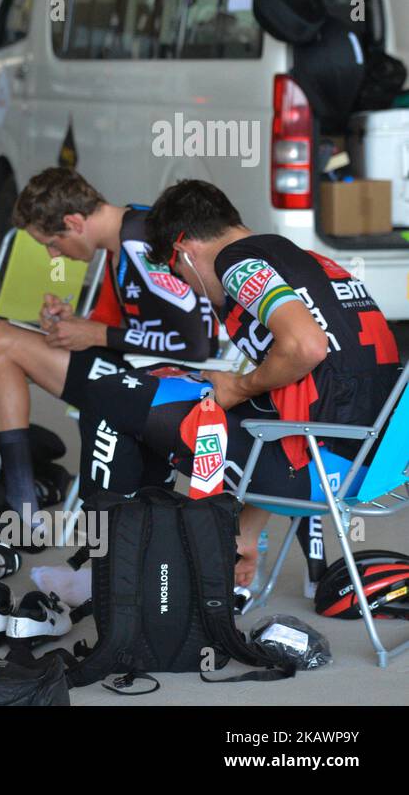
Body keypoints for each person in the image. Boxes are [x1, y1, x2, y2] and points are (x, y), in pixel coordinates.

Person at [39, 180, 400, 606]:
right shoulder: (304, 260)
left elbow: (306, 346)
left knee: (110, 395)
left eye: (177, 274)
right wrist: (246, 529)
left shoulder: (236, 262)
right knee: (157, 401)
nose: (191, 290)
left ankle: (104, 571)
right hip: (375, 466)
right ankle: (169, 554)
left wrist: (241, 385)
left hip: (318, 468)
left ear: (184, 251)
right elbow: (296, 397)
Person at [0, 167, 214, 525]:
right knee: (0, 337)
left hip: (176, 384)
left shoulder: (139, 243)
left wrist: (98, 336)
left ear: (74, 221)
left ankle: (21, 502)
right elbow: (132, 323)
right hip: (145, 368)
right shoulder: (125, 232)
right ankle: (21, 498)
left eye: (53, 244)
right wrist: (74, 323)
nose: (55, 256)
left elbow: (197, 345)